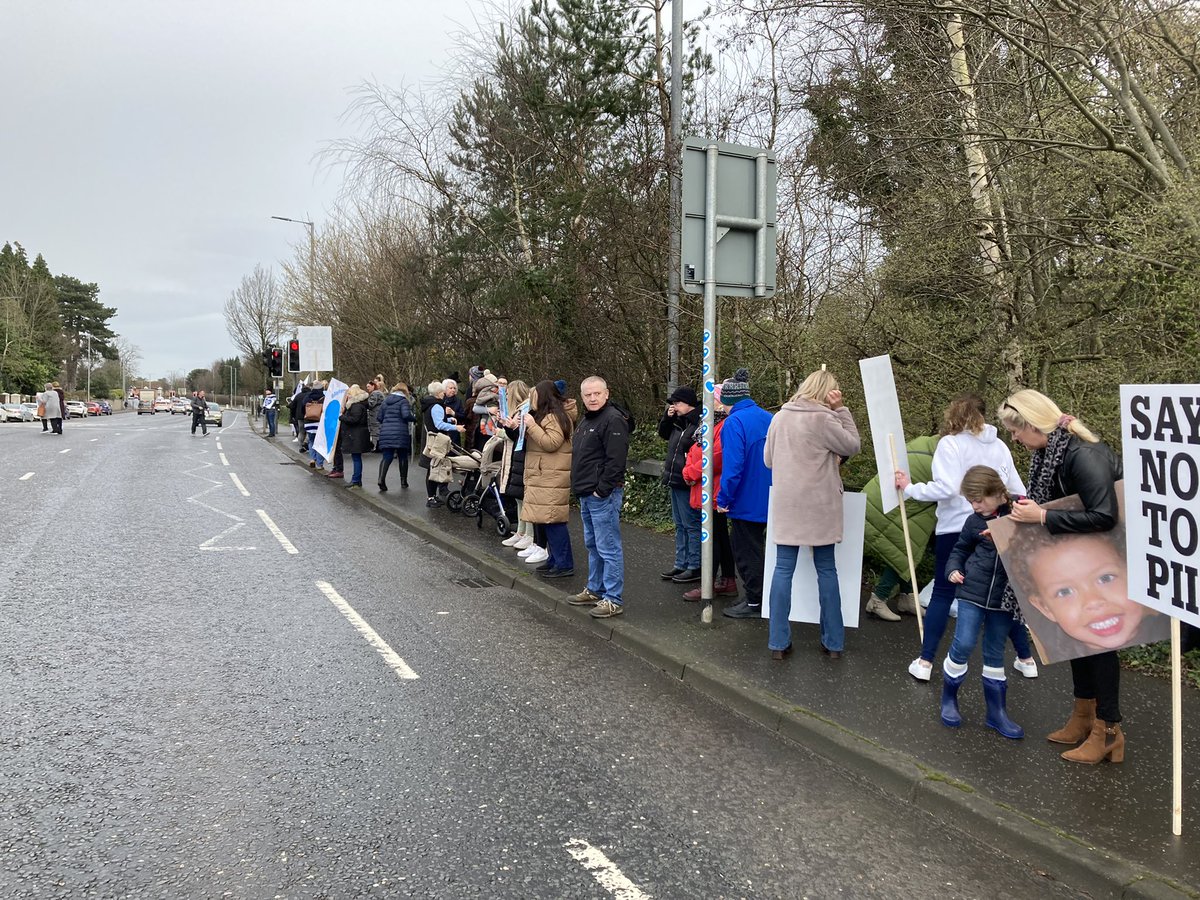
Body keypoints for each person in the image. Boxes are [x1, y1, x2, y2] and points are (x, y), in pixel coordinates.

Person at [999, 388, 1125, 764]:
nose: (1014, 438)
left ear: (1034, 425)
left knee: (1100, 646)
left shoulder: (1083, 456)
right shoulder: (1051, 454)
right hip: (1077, 559)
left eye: (1016, 431)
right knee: (1076, 641)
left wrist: (1041, 517)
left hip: (1103, 564)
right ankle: (1083, 717)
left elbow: (1104, 515)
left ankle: (1109, 731)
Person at [895, 394, 1035, 682]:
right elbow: (1017, 490)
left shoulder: (950, 444)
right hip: (995, 528)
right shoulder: (1000, 446)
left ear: (954, 415)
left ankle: (925, 662)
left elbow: (946, 488)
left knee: (943, 593)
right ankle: (1026, 659)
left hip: (955, 527)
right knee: (1002, 596)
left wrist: (910, 489)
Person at [764, 369, 861, 660]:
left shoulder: (779, 418)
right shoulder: (825, 418)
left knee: (782, 570)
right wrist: (841, 409)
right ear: (826, 392)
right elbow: (852, 445)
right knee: (827, 570)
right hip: (820, 505)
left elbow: (768, 460)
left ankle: (778, 643)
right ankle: (833, 643)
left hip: (787, 503)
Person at [939, 466, 1024, 739]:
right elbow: (961, 548)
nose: (975, 506)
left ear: (999, 494)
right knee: (963, 643)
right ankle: (949, 699)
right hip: (971, 592)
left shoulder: (1020, 516)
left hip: (1004, 598)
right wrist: (953, 568)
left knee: (995, 652)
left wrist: (1005, 537)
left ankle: (996, 713)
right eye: (970, 501)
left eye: (979, 500)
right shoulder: (974, 521)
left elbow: (1031, 550)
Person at [1004, 523, 1160, 659]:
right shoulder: (1053, 637)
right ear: (1044, 608)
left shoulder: (1167, 627)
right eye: (1064, 592)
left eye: (1105, 578)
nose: (1093, 601)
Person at [568, 376, 631, 618]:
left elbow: (616, 461)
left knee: (609, 548)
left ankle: (613, 598)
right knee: (593, 545)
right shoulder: (587, 418)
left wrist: (601, 489)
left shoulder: (613, 419)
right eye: (588, 395)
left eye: (597, 394)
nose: (592, 398)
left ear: (606, 393)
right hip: (586, 492)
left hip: (602, 495)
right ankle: (595, 589)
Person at [715, 368, 774, 620]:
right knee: (766, 551)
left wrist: (723, 499)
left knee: (747, 551)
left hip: (746, 499)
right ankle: (768, 598)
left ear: (728, 400)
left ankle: (754, 601)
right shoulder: (770, 417)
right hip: (774, 495)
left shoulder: (734, 422)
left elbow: (733, 466)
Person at [862, 433, 940, 621]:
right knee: (905, 551)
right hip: (902, 503)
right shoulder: (947, 455)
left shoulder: (928, 442)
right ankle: (878, 599)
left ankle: (907, 596)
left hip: (888, 498)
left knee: (910, 550)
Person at [680, 385, 738, 600]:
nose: (707, 403)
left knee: (712, 538)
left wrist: (691, 472)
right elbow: (697, 451)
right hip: (705, 486)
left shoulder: (722, 425)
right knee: (720, 536)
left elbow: (717, 456)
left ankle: (709, 584)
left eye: (711, 399)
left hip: (712, 489)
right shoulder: (709, 424)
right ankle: (728, 580)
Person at [520, 380, 575, 578]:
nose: (530, 400)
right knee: (547, 521)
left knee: (553, 521)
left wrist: (532, 426)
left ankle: (564, 563)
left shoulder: (553, 417)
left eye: (533, 396)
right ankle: (554, 559)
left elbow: (552, 443)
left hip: (551, 476)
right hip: (544, 475)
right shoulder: (548, 416)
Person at [658, 385, 702, 584]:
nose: (674, 406)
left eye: (677, 403)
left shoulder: (698, 423)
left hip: (688, 480)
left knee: (691, 524)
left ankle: (694, 565)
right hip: (675, 478)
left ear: (689, 404)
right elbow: (663, 433)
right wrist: (668, 417)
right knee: (679, 524)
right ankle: (680, 562)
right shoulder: (678, 422)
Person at [499, 380, 535, 550]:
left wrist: (510, 428)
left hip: (523, 458)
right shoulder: (519, 410)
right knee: (519, 498)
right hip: (518, 458)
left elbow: (522, 438)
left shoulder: (526, 410)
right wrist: (508, 427)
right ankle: (521, 532)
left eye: (507, 394)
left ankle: (529, 534)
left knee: (524, 498)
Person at [420, 381, 465, 506]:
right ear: (439, 393)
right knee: (433, 469)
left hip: (432, 440)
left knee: (432, 468)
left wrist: (450, 419)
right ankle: (430, 498)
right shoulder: (437, 406)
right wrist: (456, 428)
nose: (444, 394)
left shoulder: (429, 404)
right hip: (437, 441)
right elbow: (439, 424)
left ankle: (433, 496)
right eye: (442, 392)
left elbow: (436, 420)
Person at [376, 382, 416, 492]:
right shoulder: (404, 401)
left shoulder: (386, 401)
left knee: (386, 456)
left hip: (386, 432)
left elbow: (379, 417)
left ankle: (381, 479)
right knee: (402, 456)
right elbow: (406, 415)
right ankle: (404, 481)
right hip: (400, 432)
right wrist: (414, 419)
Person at [338, 384, 371, 488]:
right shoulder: (359, 405)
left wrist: (342, 417)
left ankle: (356, 480)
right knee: (356, 458)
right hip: (357, 435)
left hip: (356, 435)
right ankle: (356, 479)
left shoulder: (356, 406)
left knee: (356, 458)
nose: (347, 395)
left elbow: (354, 420)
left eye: (348, 393)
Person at [303, 382, 326, 468]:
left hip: (309, 423)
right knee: (320, 443)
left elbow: (303, 406)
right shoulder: (324, 397)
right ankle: (319, 464)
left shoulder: (308, 396)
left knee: (311, 441)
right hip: (320, 423)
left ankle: (312, 459)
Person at [366, 379, 386, 451]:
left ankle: (376, 447)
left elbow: (370, 404)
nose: (367, 388)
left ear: (373, 386)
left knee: (376, 432)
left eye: (368, 386)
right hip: (378, 414)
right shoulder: (379, 393)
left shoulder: (374, 394)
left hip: (375, 415)